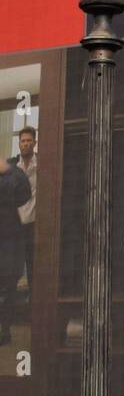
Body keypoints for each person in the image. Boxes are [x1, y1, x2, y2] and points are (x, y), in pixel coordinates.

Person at [0, 152, 32, 348]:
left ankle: (5, 331)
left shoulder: (15, 174)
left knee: (8, 289)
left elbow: (23, 194)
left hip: (9, 240)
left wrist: (7, 170)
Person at [14, 126, 35, 297]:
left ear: (35, 142)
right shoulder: (12, 166)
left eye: (29, 140)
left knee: (34, 267)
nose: (26, 144)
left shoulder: (43, 165)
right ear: (19, 144)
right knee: (13, 268)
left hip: (35, 225)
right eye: (23, 141)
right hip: (15, 226)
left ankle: (33, 307)